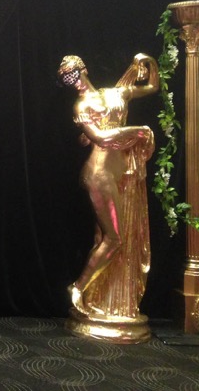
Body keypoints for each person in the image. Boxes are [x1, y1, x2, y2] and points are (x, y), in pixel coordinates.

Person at [58, 53, 158, 320]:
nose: (72, 80)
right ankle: (77, 288)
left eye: (73, 73)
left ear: (83, 69)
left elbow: (152, 87)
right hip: (98, 174)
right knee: (114, 239)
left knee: (104, 238)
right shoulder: (81, 106)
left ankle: (97, 296)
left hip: (117, 173)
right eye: (66, 79)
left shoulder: (113, 94)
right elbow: (101, 138)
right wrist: (139, 131)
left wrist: (148, 61)